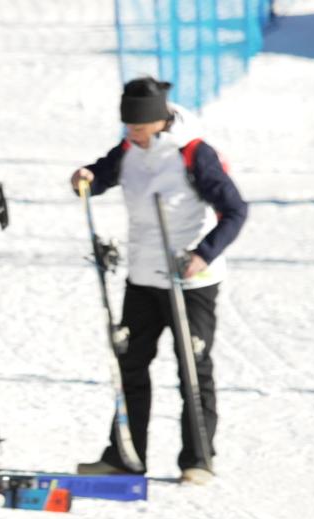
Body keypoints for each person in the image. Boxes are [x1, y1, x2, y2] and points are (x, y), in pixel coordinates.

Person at [70, 77, 246, 484]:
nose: (131, 134)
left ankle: (198, 459)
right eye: (127, 128)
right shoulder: (130, 149)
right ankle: (125, 456)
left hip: (190, 281)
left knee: (192, 367)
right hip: (143, 277)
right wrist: (86, 178)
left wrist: (202, 254)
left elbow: (235, 210)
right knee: (130, 363)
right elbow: (102, 174)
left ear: (158, 120)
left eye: (137, 127)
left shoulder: (194, 154)